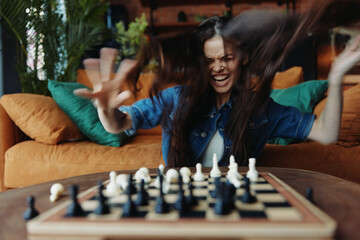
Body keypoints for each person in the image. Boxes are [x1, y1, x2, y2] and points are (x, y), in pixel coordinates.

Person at [75, 1, 360, 168]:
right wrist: (105, 109)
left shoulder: (260, 110)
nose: (218, 67)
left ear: (244, 57)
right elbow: (120, 124)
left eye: (227, 58)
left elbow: (326, 134)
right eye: (209, 60)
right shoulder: (176, 99)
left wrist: (336, 77)